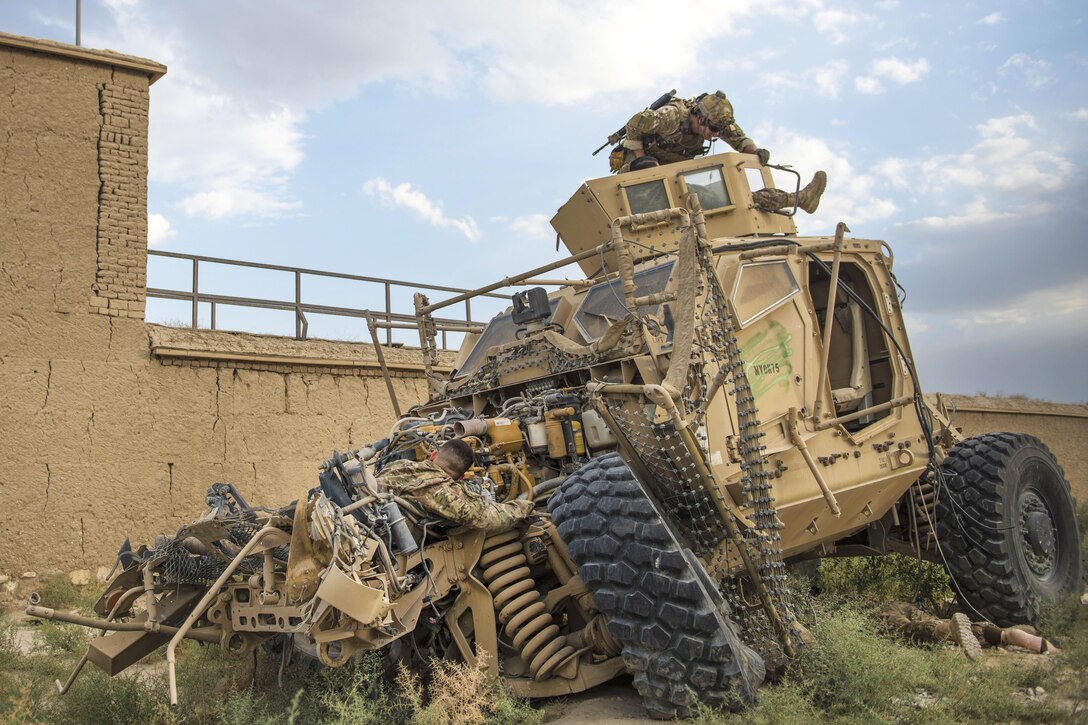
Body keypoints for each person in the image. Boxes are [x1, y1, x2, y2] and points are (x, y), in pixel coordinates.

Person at [612, 91, 827, 214]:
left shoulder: (719, 122)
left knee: (731, 200)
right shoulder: (671, 117)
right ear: (699, 118)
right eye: (713, 130)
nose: (715, 135)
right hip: (640, 173)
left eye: (719, 131)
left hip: (674, 176)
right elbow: (635, 125)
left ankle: (798, 199)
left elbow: (740, 140)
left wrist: (755, 152)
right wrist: (642, 159)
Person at [376, 439, 534, 533]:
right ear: (462, 477)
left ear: (433, 455)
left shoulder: (398, 465)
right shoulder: (441, 491)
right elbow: (483, 517)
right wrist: (522, 508)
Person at [877, 601, 1059, 661]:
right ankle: (1002, 634)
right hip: (901, 605)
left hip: (880, 611)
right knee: (930, 621)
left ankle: (947, 630)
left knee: (906, 631)